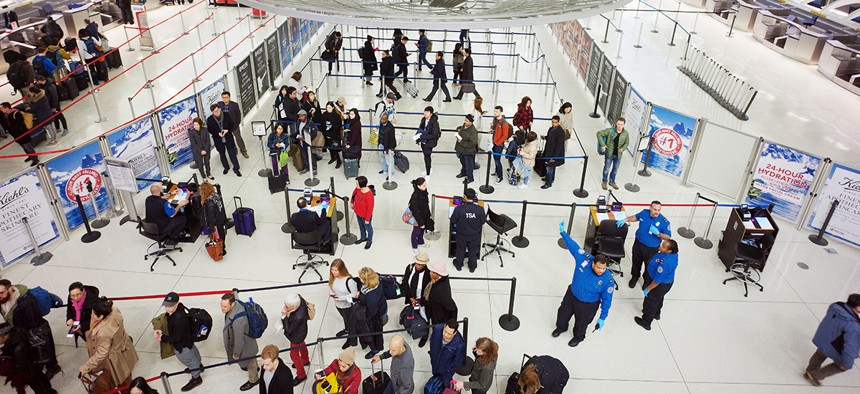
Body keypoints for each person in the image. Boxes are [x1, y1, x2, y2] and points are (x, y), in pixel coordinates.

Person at [553, 222, 615, 347]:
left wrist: (603, 317)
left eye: (604, 269)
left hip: (588, 305)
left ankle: (578, 337)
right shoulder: (584, 258)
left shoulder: (608, 281)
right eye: (599, 268)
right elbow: (573, 246)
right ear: (593, 263)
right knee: (563, 313)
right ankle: (561, 328)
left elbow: (607, 300)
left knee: (582, 323)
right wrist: (563, 233)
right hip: (572, 295)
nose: (601, 271)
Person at [0, 280, 61, 381]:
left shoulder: (26, 301)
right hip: (20, 328)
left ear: (10, 289)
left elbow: (34, 321)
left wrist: (29, 336)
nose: (0, 295)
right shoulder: (3, 300)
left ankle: (53, 367)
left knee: (44, 349)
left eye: (2, 293)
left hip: (34, 329)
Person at [80, 297, 139, 393]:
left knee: (120, 382)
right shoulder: (114, 311)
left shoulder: (103, 332)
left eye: (94, 314)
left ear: (101, 316)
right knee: (126, 377)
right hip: (124, 350)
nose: (91, 316)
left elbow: (101, 353)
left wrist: (85, 367)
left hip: (114, 360)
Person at [805, 294, 860, 386]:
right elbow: (850, 346)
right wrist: (848, 362)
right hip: (835, 346)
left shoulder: (836, 306)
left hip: (824, 337)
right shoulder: (853, 326)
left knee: (819, 354)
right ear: (858, 308)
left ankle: (810, 370)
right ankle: (815, 375)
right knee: (841, 366)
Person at [617, 201, 672, 289]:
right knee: (636, 261)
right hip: (638, 243)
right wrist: (625, 220)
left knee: (649, 265)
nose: (656, 212)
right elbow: (635, 217)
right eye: (654, 209)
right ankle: (635, 276)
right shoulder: (644, 213)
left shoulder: (664, 222)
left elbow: (668, 237)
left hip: (651, 248)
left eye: (658, 210)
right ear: (650, 208)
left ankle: (647, 281)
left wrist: (658, 234)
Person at [155, 292, 203, 391]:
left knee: (188, 359)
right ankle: (199, 366)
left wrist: (162, 338)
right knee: (193, 352)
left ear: (177, 303)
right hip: (188, 340)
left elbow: (176, 338)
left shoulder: (180, 319)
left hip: (182, 345)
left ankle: (196, 377)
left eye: (170, 306)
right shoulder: (177, 310)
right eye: (166, 305)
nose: (167, 308)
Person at [0, 323, 58, 394]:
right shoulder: (16, 332)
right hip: (35, 361)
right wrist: (3, 350)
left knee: (36, 385)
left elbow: (19, 366)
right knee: (42, 377)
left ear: (3, 336)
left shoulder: (18, 349)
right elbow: (10, 347)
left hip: (29, 371)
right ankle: (50, 390)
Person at [634, 239, 679, 331]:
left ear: (669, 251)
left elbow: (658, 280)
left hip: (659, 284)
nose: (660, 246)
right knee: (659, 298)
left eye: (663, 246)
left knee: (650, 302)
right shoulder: (673, 255)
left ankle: (646, 321)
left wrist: (648, 289)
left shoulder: (665, 263)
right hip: (666, 283)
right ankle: (656, 313)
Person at [221, 292, 260, 391]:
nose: (222, 309)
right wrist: (234, 292)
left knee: (250, 361)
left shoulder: (238, 321)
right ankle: (256, 368)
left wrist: (236, 354)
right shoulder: (236, 303)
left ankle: (254, 380)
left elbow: (239, 340)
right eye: (221, 305)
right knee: (252, 358)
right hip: (249, 341)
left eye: (225, 306)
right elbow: (236, 298)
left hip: (246, 346)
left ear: (232, 304)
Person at [451, 188, 486, 273]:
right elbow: (483, 221)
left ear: (464, 197)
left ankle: (459, 265)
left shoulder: (459, 209)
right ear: (474, 197)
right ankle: (472, 267)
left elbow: (453, 220)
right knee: (473, 250)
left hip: (461, 234)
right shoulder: (480, 209)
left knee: (460, 249)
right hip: (474, 235)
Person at [356, 267, 387, 359]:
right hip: (382, 306)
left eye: (361, 278)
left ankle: (375, 349)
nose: (360, 279)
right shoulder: (377, 279)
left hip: (375, 315)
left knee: (375, 332)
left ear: (366, 280)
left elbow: (372, 312)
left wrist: (359, 298)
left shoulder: (371, 297)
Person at [402, 251, 431, 346]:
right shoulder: (410, 268)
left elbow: (429, 290)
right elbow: (405, 283)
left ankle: (424, 334)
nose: (418, 266)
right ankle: (413, 327)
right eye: (417, 263)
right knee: (413, 314)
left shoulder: (429, 273)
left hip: (423, 301)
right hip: (411, 298)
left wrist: (420, 301)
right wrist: (411, 298)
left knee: (424, 317)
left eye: (421, 264)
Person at [280, 294, 310, 387]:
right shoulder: (299, 299)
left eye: (286, 306)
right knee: (302, 344)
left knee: (294, 356)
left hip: (296, 336)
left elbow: (289, 330)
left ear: (294, 307)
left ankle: (301, 375)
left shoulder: (298, 317)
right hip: (302, 332)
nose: (284, 307)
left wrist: (284, 316)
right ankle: (305, 360)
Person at [329, 259, 359, 349]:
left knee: (351, 324)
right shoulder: (333, 278)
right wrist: (332, 293)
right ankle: (346, 330)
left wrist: (341, 298)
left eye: (336, 270)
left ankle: (351, 340)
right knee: (345, 320)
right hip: (338, 305)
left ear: (341, 269)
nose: (333, 272)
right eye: (332, 270)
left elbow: (354, 294)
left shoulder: (349, 281)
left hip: (347, 307)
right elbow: (333, 287)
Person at [207, 104, 241, 176]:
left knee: (232, 153)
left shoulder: (226, 115)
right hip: (218, 140)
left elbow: (232, 124)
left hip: (228, 137)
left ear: (219, 109)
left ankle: (236, 168)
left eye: (216, 111)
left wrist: (227, 130)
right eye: (213, 112)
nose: (215, 113)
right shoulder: (210, 119)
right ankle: (226, 167)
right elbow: (210, 129)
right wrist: (217, 133)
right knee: (222, 154)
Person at [429, 319, 465, 384]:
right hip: (435, 363)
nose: (445, 335)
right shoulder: (437, 329)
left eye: (449, 334)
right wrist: (432, 354)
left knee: (445, 384)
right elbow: (432, 342)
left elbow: (457, 362)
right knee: (435, 377)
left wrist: (448, 371)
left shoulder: (459, 345)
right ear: (444, 326)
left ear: (455, 333)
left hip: (446, 372)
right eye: (445, 331)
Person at [597, 117, 629, 190]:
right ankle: (604, 181)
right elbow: (599, 133)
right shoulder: (610, 131)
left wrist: (622, 149)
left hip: (618, 155)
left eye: (621, 124)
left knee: (615, 169)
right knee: (606, 169)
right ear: (616, 124)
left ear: (624, 125)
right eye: (618, 124)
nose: (619, 126)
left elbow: (626, 143)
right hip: (609, 154)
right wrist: (603, 145)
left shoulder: (625, 134)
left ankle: (612, 181)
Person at [424, 261, 457, 325]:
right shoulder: (437, 280)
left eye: (434, 272)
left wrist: (452, 324)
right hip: (435, 312)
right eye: (431, 271)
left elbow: (452, 307)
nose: (430, 273)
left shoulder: (441, 290)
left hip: (439, 317)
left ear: (440, 274)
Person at [200, 182, 228, 254]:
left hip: (216, 222)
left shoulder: (209, 202)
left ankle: (221, 249)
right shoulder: (216, 195)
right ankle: (223, 247)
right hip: (221, 219)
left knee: (218, 236)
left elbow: (211, 217)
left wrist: (211, 228)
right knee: (221, 233)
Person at [218, 91, 248, 159]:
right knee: (230, 139)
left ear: (229, 97)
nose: (225, 99)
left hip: (234, 126)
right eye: (223, 98)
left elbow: (238, 115)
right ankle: (234, 150)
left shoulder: (234, 105)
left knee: (238, 138)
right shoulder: (219, 105)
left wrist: (237, 124)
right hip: (225, 127)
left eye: (226, 97)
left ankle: (243, 151)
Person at [540, 115, 565, 189]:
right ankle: (550, 179)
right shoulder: (551, 128)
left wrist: (554, 157)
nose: (554, 124)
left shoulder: (560, 132)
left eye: (555, 122)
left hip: (553, 153)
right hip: (549, 150)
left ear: (558, 122)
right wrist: (545, 137)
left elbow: (559, 146)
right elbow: (550, 137)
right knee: (551, 167)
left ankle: (548, 183)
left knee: (550, 167)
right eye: (553, 122)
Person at [291, 110, 319, 175]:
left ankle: (314, 168)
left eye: (302, 116)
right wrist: (293, 136)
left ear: (305, 116)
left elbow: (314, 134)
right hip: (301, 143)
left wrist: (305, 138)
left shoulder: (310, 123)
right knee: (304, 156)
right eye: (299, 116)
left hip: (308, 143)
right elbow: (298, 132)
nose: (300, 118)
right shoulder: (299, 123)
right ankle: (306, 167)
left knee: (311, 156)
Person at [416, 106, 441, 177]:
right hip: (423, 141)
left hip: (429, 143)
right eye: (425, 111)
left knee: (427, 157)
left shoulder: (435, 123)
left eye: (427, 112)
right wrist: (417, 137)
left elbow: (434, 134)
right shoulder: (423, 119)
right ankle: (428, 168)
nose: (425, 113)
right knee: (425, 156)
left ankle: (428, 172)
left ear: (431, 114)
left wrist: (422, 137)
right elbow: (420, 129)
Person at [489, 106, 513, 183]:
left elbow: (505, 136)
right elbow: (493, 126)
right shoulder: (495, 119)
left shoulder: (504, 123)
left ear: (501, 112)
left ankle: (500, 176)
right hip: (494, 142)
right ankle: (496, 171)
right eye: (494, 111)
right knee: (495, 158)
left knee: (497, 161)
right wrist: (491, 128)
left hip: (498, 145)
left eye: (497, 112)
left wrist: (498, 142)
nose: (495, 113)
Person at [351, 176, 375, 249]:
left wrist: (367, 219)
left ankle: (369, 240)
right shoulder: (358, 189)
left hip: (365, 216)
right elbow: (354, 194)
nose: (356, 186)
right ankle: (363, 237)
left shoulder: (369, 195)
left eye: (357, 184)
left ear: (362, 184)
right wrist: (352, 202)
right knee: (361, 226)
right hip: (358, 213)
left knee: (368, 228)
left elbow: (370, 208)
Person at [408, 177, 432, 250]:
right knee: (416, 231)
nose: (426, 186)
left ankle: (421, 242)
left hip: (424, 215)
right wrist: (421, 223)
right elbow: (415, 211)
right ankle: (414, 246)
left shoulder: (424, 191)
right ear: (418, 186)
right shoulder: (415, 196)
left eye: (425, 184)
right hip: (417, 218)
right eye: (424, 185)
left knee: (422, 230)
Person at [455, 114, 479, 184]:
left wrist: (462, 142)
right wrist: (458, 129)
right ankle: (463, 173)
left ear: (471, 122)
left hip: (468, 151)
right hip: (461, 149)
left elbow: (472, 143)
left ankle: (470, 178)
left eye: (467, 121)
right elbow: (462, 128)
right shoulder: (464, 125)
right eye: (465, 120)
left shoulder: (473, 131)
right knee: (463, 162)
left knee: (469, 165)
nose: (465, 122)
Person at [322, 101, 343, 168]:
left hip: (334, 135)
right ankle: (333, 158)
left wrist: (332, 126)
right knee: (330, 147)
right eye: (327, 107)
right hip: (327, 134)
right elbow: (322, 123)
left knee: (335, 148)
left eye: (329, 107)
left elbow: (339, 125)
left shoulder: (336, 116)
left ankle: (338, 161)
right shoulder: (324, 114)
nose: (328, 109)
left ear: (333, 108)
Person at [378, 112, 397, 179]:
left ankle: (391, 173)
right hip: (381, 144)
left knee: (389, 160)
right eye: (381, 119)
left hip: (388, 146)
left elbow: (392, 139)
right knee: (382, 158)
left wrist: (389, 149)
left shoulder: (390, 127)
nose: (382, 120)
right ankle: (385, 170)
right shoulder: (381, 124)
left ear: (387, 119)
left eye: (383, 119)